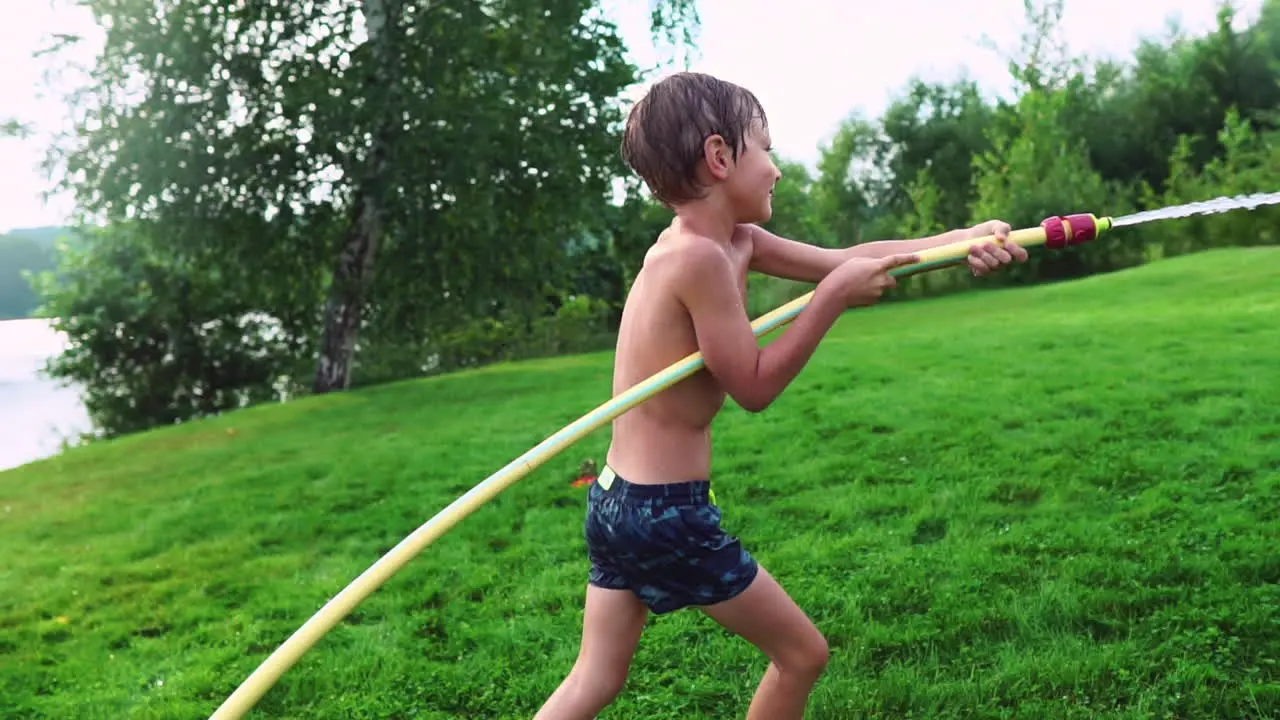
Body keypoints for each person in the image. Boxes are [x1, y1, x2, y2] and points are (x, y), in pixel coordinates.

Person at [533, 71, 1027, 720]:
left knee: (593, 679)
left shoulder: (731, 243)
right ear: (719, 157)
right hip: (664, 513)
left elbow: (851, 256)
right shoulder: (696, 261)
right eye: (767, 148)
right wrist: (830, 302)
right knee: (802, 655)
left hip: (617, 500)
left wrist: (960, 244)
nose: (776, 170)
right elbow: (755, 386)